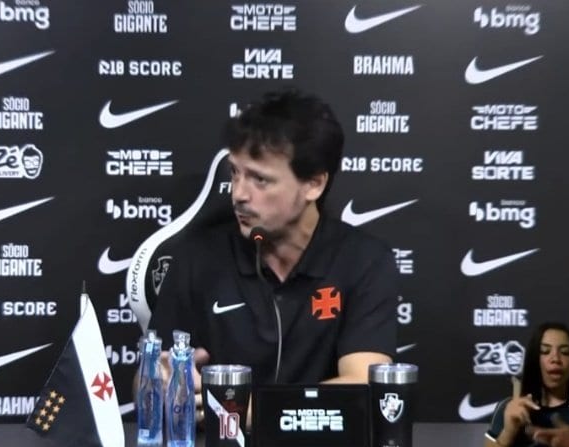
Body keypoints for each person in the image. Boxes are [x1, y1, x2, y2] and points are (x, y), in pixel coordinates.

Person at [147, 88, 397, 412]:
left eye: (260, 180)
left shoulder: (364, 261)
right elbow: (150, 380)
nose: (239, 194)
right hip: (218, 444)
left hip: (320, 445)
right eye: (235, 173)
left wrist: (240, 409)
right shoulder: (197, 258)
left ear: (314, 184)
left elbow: (363, 388)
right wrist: (159, 382)